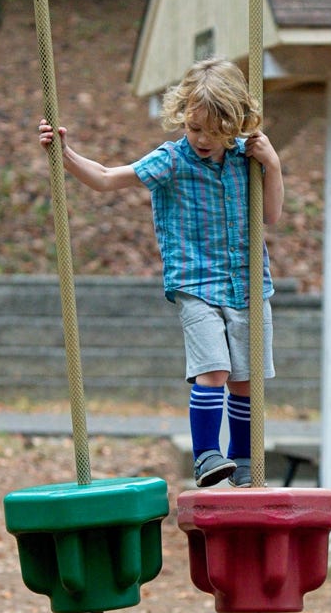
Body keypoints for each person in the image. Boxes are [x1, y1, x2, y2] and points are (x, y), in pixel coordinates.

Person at [38, 57, 284, 488]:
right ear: (182, 117)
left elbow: (272, 215)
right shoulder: (172, 159)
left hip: (247, 284)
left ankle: (243, 458)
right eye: (194, 127)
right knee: (214, 371)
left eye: (213, 131)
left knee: (246, 381)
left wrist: (273, 165)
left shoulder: (248, 157)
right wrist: (65, 154)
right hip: (196, 285)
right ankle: (206, 456)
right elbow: (107, 177)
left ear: (234, 124)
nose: (201, 138)